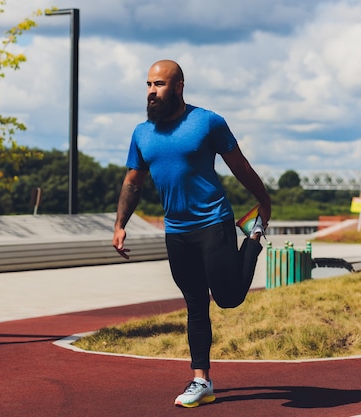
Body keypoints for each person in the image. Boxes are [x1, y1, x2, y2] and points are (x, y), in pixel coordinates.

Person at [112, 60, 272, 408]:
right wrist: (120, 223)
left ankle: (254, 239)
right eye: (149, 85)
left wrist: (262, 199)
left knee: (228, 298)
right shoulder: (142, 133)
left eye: (160, 84)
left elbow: (239, 165)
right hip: (177, 232)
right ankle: (201, 380)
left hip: (213, 221)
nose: (152, 92)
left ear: (179, 86)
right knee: (196, 305)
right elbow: (132, 183)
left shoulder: (207, 122)